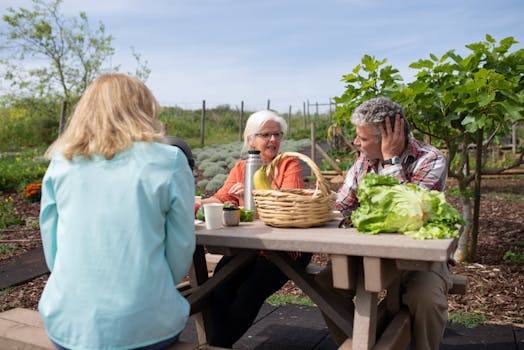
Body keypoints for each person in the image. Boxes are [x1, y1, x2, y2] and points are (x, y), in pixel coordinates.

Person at [38, 73, 195, 350]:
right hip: (145, 325)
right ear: (143, 110)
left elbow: (53, 248)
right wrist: (149, 287)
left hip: (67, 323)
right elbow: (181, 248)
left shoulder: (61, 162)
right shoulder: (169, 160)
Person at [316, 97, 451, 350]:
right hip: (367, 255)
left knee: (426, 299)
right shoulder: (362, 164)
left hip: (420, 258)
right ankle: (358, 343)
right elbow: (340, 207)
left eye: (363, 139)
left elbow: (407, 212)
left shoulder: (431, 160)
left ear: (389, 137)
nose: (356, 142)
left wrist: (390, 162)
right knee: (326, 284)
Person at [201, 110, 312, 348]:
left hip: (287, 249)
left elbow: (286, 202)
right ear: (251, 140)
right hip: (251, 247)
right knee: (219, 285)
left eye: (277, 134)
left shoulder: (288, 164)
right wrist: (197, 203)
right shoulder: (242, 166)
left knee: (249, 292)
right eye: (266, 135)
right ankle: (218, 343)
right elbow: (222, 197)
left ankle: (216, 345)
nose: (273, 140)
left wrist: (254, 193)